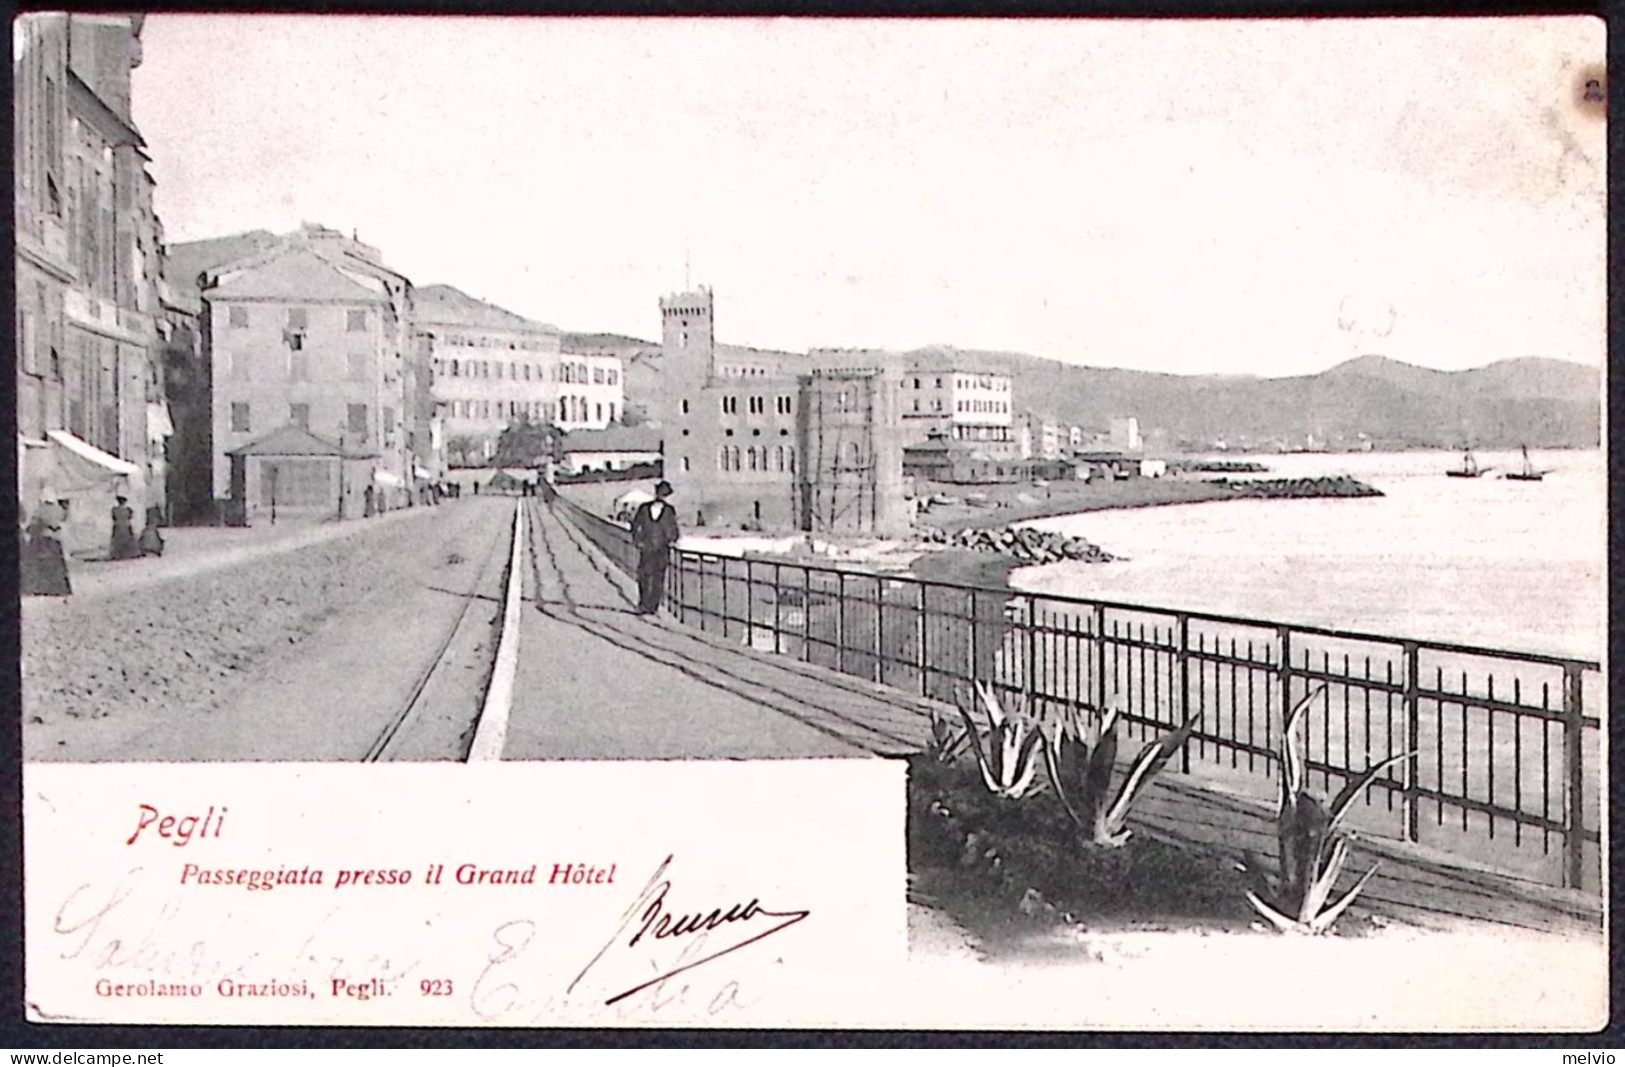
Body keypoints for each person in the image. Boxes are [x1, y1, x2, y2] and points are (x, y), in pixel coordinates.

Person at [629, 481, 680, 615]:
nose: (662, 497)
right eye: (662, 494)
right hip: (647, 548)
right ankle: (643, 603)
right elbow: (635, 526)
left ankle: (652, 606)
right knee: (643, 576)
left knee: (658, 578)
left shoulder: (669, 510)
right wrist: (637, 541)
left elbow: (673, 528)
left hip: (662, 549)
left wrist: (673, 539)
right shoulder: (644, 508)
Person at [23, 501, 72, 596]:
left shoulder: (40, 510)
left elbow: (32, 526)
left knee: (42, 565)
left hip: (43, 540)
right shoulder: (58, 510)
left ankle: (42, 588)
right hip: (54, 540)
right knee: (56, 566)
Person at [109, 495, 140, 560]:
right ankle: (128, 553)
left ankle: (118, 554)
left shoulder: (115, 510)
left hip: (118, 526)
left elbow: (114, 518)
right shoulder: (128, 510)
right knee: (127, 539)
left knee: (118, 540)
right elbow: (130, 517)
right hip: (125, 526)